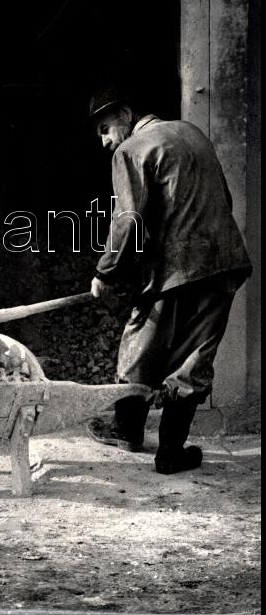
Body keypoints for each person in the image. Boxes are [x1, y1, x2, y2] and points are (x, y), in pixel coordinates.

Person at [86, 85, 252, 474]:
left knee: (141, 341)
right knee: (194, 359)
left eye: (106, 130)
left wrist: (105, 272)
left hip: (178, 267)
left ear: (126, 115)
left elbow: (128, 219)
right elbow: (224, 198)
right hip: (224, 262)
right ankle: (170, 452)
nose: (106, 142)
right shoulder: (192, 133)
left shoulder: (132, 149)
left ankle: (126, 429)